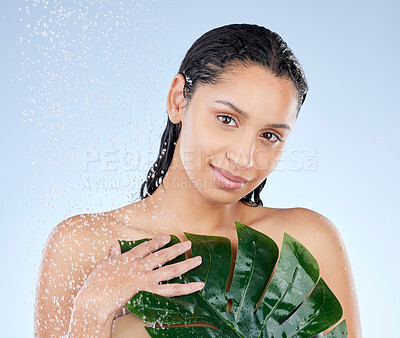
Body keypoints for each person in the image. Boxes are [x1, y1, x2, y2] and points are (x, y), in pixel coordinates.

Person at [34, 23, 361, 337]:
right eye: (226, 119)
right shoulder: (82, 244)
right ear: (179, 100)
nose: (244, 158)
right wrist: (92, 311)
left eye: (270, 135)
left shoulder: (307, 241)